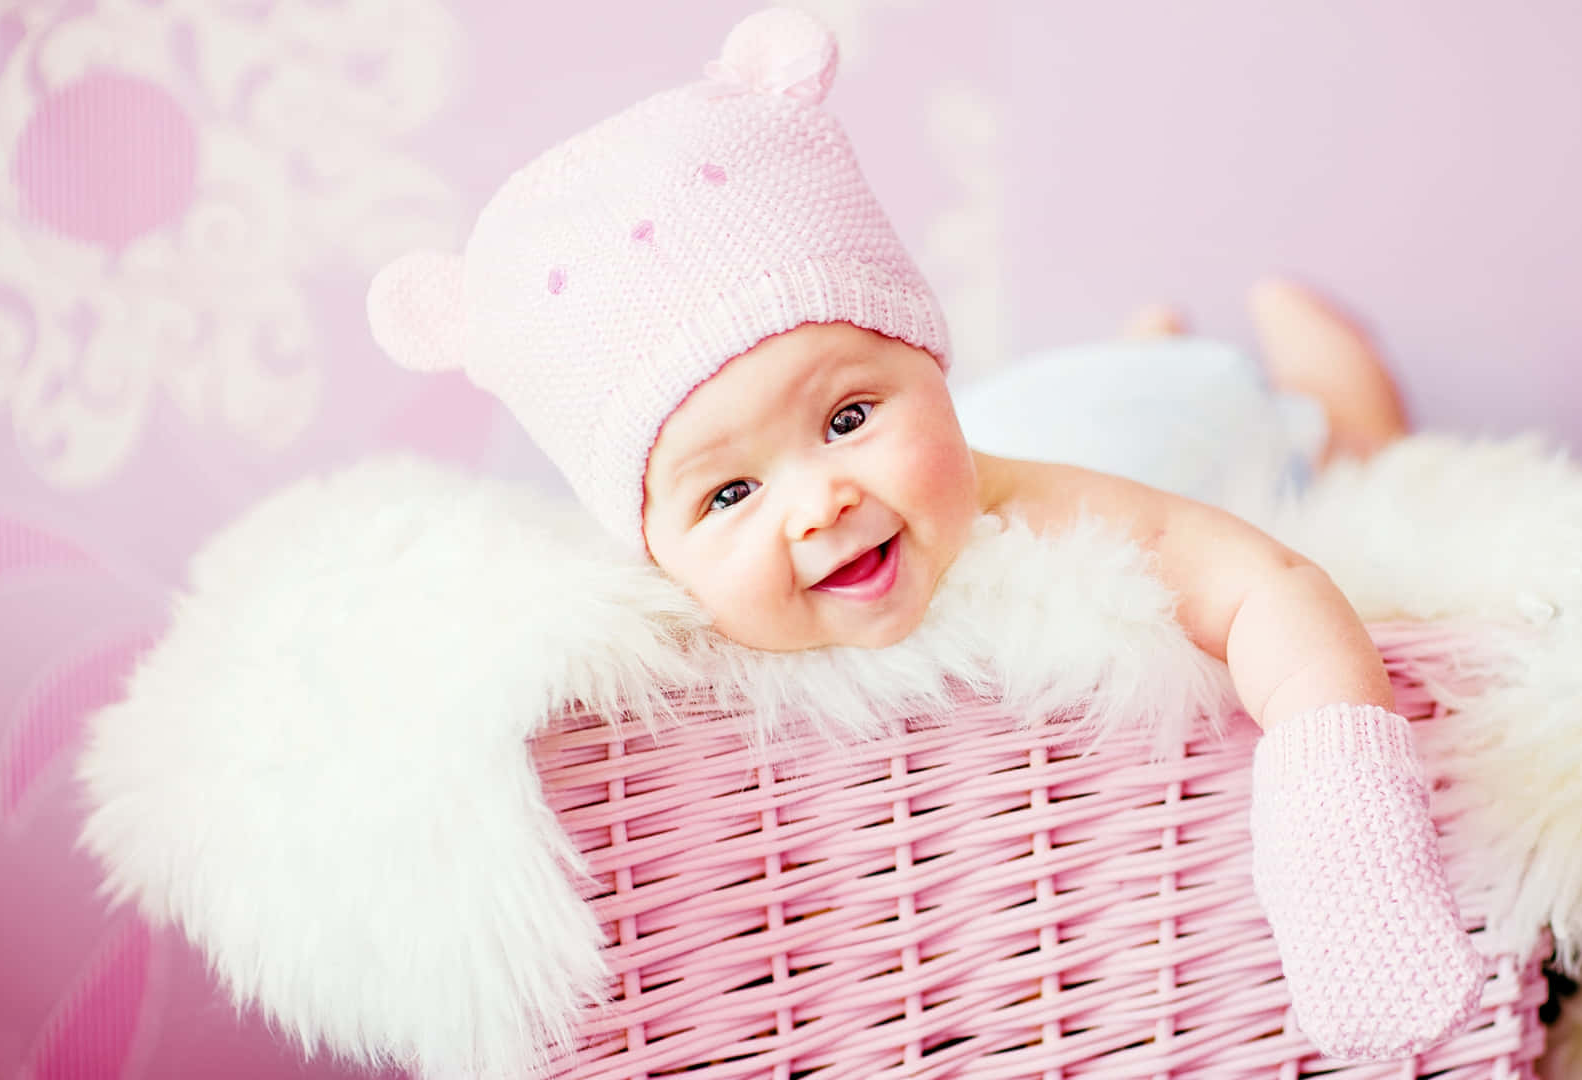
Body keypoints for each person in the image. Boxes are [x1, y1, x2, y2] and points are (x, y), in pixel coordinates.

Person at [366, 7, 1480, 1061]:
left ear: (926, 370)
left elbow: (1271, 586)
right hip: (1025, 403)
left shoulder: (1029, 504)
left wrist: (1341, 837)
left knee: (1229, 426)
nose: (819, 505)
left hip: (1156, 431)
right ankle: (1134, 344)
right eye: (730, 495)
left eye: (849, 418)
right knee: (1080, 383)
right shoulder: (652, 630)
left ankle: (1333, 401)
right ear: (649, 545)